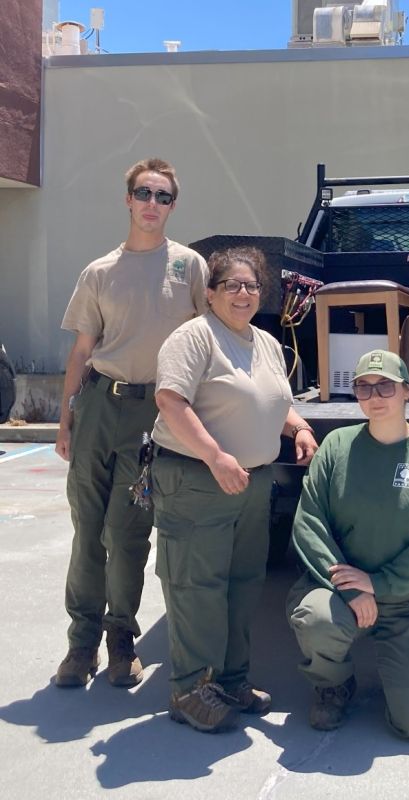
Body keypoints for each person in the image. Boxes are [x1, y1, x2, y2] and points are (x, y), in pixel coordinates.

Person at [150, 246, 318, 734]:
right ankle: (189, 690)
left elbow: (269, 398)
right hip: (197, 478)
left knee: (243, 585)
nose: (243, 294)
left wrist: (298, 426)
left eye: (250, 286)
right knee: (197, 589)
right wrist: (214, 456)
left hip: (250, 482)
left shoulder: (264, 341)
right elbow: (171, 401)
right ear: (210, 293)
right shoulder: (195, 337)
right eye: (231, 285)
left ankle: (230, 680)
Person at [55, 158, 208, 689]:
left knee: (128, 531)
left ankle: (121, 638)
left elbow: (203, 340)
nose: (152, 203)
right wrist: (64, 421)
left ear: (172, 205)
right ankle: (81, 644)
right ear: (127, 200)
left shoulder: (189, 266)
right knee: (87, 530)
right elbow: (81, 351)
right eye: (143, 193)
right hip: (99, 404)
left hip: (154, 414)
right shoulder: (99, 272)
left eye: (162, 196)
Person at [288, 350, 409, 739]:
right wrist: (351, 588)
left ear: (407, 391)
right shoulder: (336, 447)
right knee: (316, 618)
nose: (375, 396)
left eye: (385, 385)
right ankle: (332, 683)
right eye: (364, 387)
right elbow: (309, 523)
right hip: (343, 590)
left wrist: (380, 584)